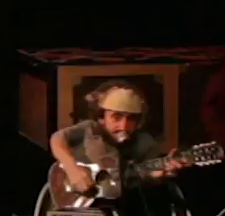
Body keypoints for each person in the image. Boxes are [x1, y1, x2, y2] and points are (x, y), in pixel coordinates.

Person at [48, 83, 177, 195]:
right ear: (102, 118)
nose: (124, 126)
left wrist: (155, 175)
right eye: (116, 117)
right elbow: (57, 138)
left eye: (131, 119)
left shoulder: (144, 144)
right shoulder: (90, 129)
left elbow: (137, 178)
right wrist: (72, 169)